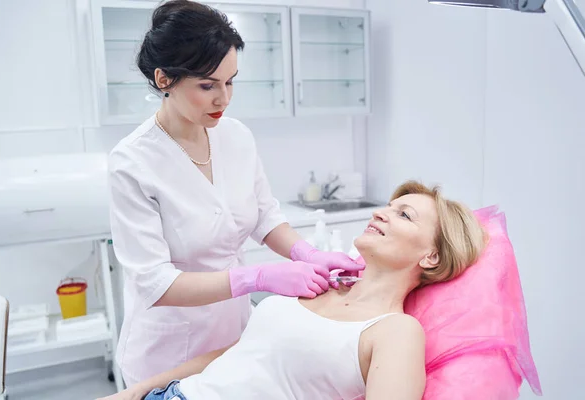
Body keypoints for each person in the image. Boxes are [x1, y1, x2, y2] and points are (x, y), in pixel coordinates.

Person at [107, 0, 363, 387]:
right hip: (167, 351)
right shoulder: (132, 162)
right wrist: (257, 276)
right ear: (164, 80)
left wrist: (307, 253)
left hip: (234, 341)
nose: (223, 99)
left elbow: (264, 216)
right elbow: (155, 284)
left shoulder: (236, 136)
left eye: (230, 82)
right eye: (207, 85)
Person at [98, 180, 488, 400]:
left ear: (431, 257)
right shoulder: (320, 287)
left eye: (404, 214)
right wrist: (138, 391)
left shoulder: (396, 331)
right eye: (388, 205)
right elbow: (240, 352)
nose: (380, 212)